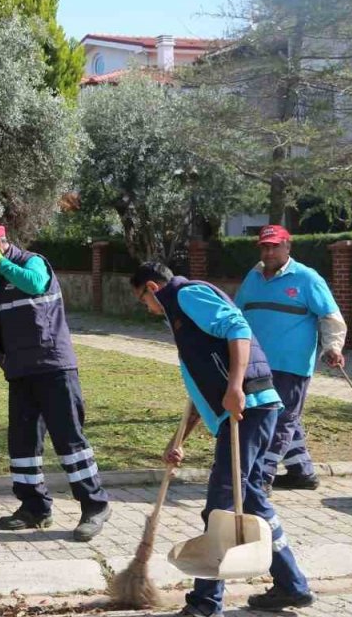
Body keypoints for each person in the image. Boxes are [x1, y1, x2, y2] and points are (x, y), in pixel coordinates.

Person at [130, 261, 313, 616]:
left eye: (142, 300)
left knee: (220, 505)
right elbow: (202, 389)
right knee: (252, 501)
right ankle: (292, 585)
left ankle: (205, 603)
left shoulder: (187, 295)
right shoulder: (182, 317)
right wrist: (179, 438)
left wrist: (235, 387)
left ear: (152, 288)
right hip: (248, 412)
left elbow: (238, 329)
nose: (147, 308)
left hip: (248, 410)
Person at [0, 221, 112, 541]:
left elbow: (35, 284)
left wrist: (0, 263)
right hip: (20, 371)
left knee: (69, 441)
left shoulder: (31, 262)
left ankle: (95, 506)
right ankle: (34, 508)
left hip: (54, 367)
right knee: (23, 444)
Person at [235, 225, 346, 494]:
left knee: (279, 420)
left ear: (288, 246)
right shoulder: (253, 277)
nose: (269, 251)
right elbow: (237, 313)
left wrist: (332, 347)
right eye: (264, 246)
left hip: (291, 366)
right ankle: (302, 472)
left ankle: (262, 477)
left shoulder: (307, 278)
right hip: (257, 364)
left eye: (275, 246)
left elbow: (330, 318)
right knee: (280, 417)